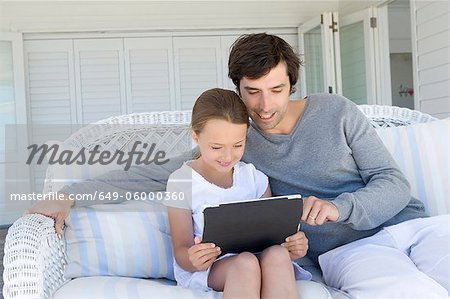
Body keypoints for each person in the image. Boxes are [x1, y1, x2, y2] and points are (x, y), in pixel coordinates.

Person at [26, 33, 450, 298]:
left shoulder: (337, 111)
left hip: (415, 225)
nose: (265, 106)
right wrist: (68, 195)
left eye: (277, 89)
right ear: (238, 88)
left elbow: (392, 183)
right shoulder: (236, 144)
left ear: (292, 84)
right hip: (354, 250)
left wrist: (341, 207)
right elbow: (152, 175)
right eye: (253, 92)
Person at [165, 88, 310, 298]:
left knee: (278, 254)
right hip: (214, 268)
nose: (227, 156)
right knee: (246, 263)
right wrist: (193, 258)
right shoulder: (182, 182)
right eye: (216, 147)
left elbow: (274, 238)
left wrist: (293, 247)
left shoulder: (254, 178)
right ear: (196, 136)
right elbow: (181, 251)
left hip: (261, 258)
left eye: (237, 145)